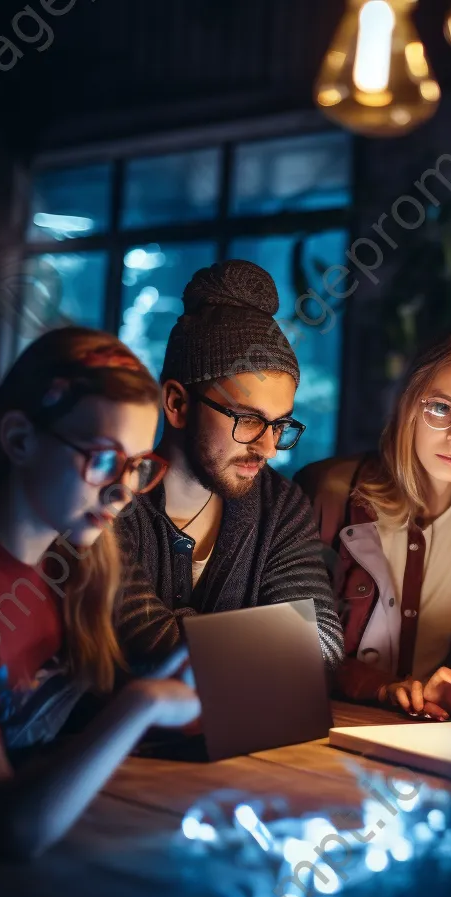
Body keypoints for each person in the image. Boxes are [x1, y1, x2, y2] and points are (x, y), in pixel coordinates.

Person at [0, 328, 200, 858]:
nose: (123, 492)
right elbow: (8, 829)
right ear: (19, 439)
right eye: (104, 460)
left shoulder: (75, 559)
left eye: (137, 467)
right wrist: (140, 703)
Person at [112, 259, 343, 674]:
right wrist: (263, 641)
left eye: (280, 424)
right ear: (178, 404)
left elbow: (320, 651)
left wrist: (186, 634)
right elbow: (143, 643)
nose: (269, 448)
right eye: (248, 419)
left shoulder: (280, 506)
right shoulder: (109, 499)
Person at [295, 327, 451, 720]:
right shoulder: (329, 494)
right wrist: (381, 688)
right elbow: (285, 644)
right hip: (321, 731)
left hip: (435, 747)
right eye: (441, 408)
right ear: (408, 409)